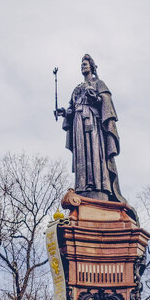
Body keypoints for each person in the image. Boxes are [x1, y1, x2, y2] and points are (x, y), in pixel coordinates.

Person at [56, 54, 129, 206]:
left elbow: (106, 105)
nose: (83, 66)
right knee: (82, 154)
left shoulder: (99, 84)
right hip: (78, 123)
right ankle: (82, 187)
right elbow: (72, 108)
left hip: (93, 121)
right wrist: (65, 112)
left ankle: (99, 187)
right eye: (81, 64)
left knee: (94, 152)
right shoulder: (77, 89)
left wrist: (95, 98)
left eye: (86, 64)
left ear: (92, 67)